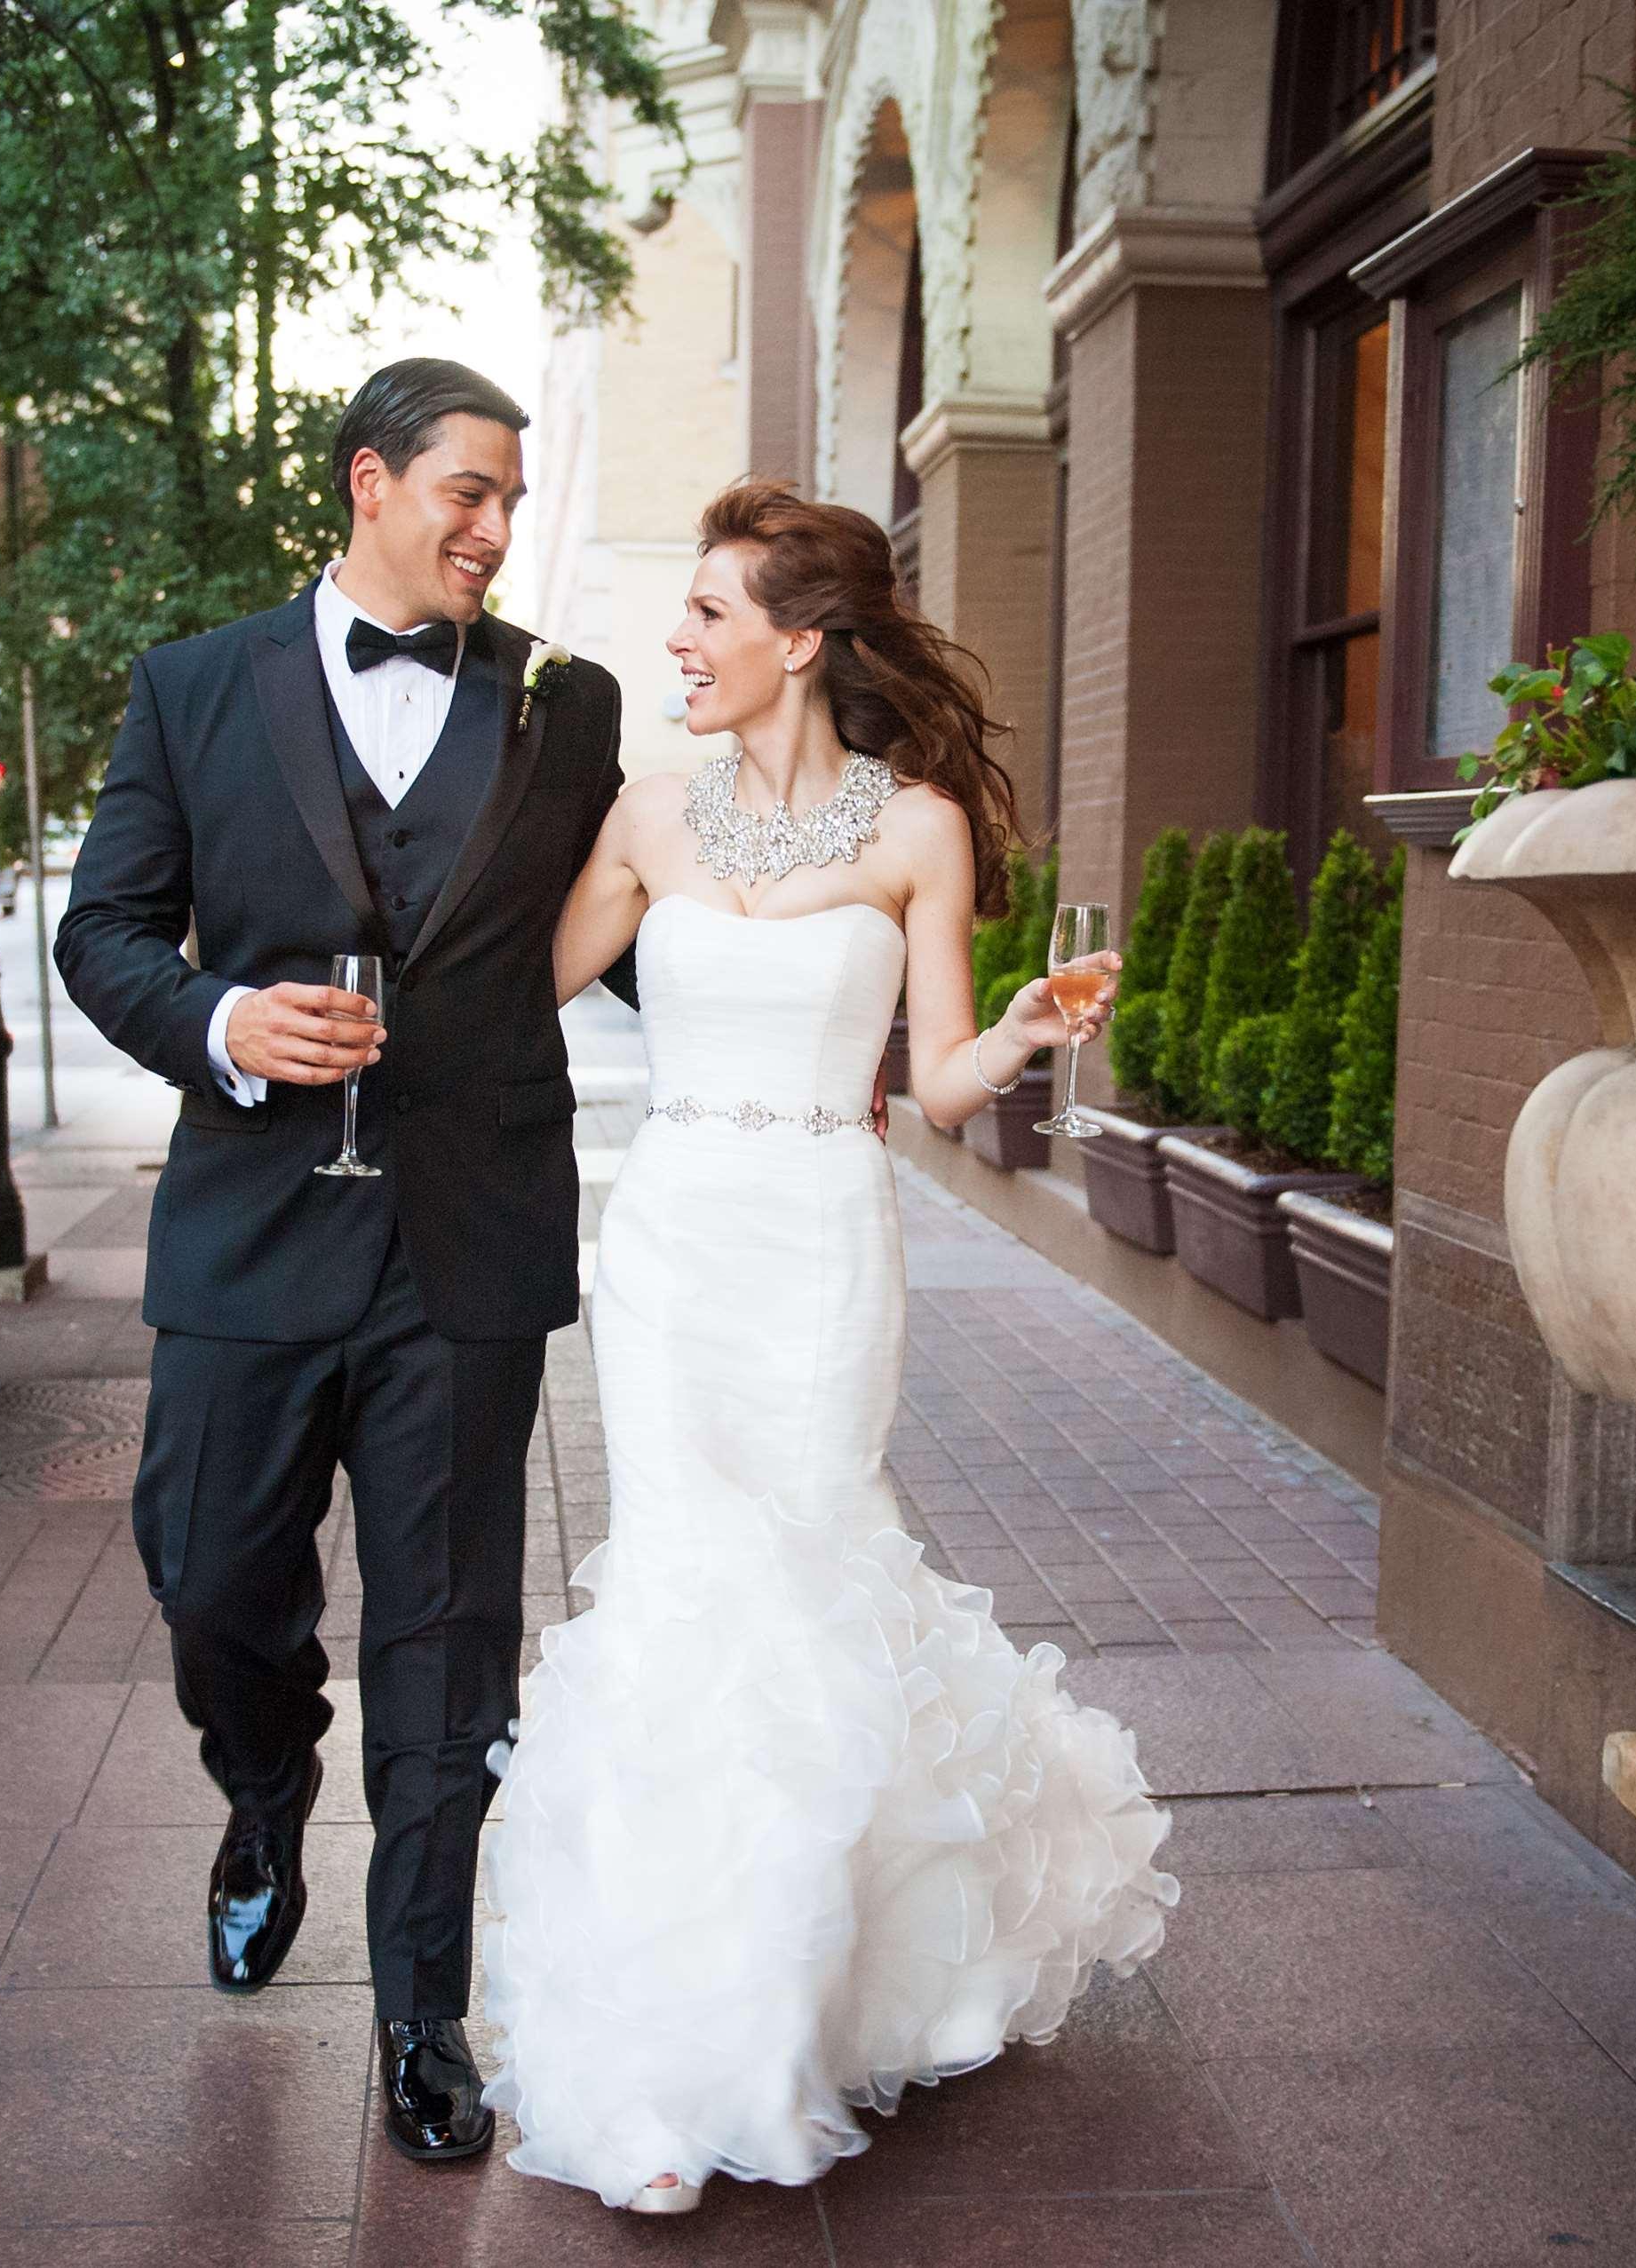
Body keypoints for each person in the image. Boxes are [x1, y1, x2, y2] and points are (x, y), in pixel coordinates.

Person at [483, 477, 1175, 2213]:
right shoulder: (648, 808)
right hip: (670, 1246)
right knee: (681, 1593)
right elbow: (515, 987)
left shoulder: (914, 827)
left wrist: (1018, 1023)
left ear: (797, 640)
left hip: (820, 1246)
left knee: (804, 1584)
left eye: (709, 612)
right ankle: (678, 2057)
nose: (678, 639)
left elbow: (932, 1082)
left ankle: (817, 1995)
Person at [53, 359, 633, 2170]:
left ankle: (416, 2015)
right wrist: (222, 1015)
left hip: (467, 1238)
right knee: (211, 1570)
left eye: (511, 501)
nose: (493, 527)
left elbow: (618, 933)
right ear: (368, 482)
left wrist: (811, 962)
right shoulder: (193, 685)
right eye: (467, 491)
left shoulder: (565, 701)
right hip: (247, 1220)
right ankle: (260, 1781)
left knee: (449, 1639)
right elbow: (103, 930)